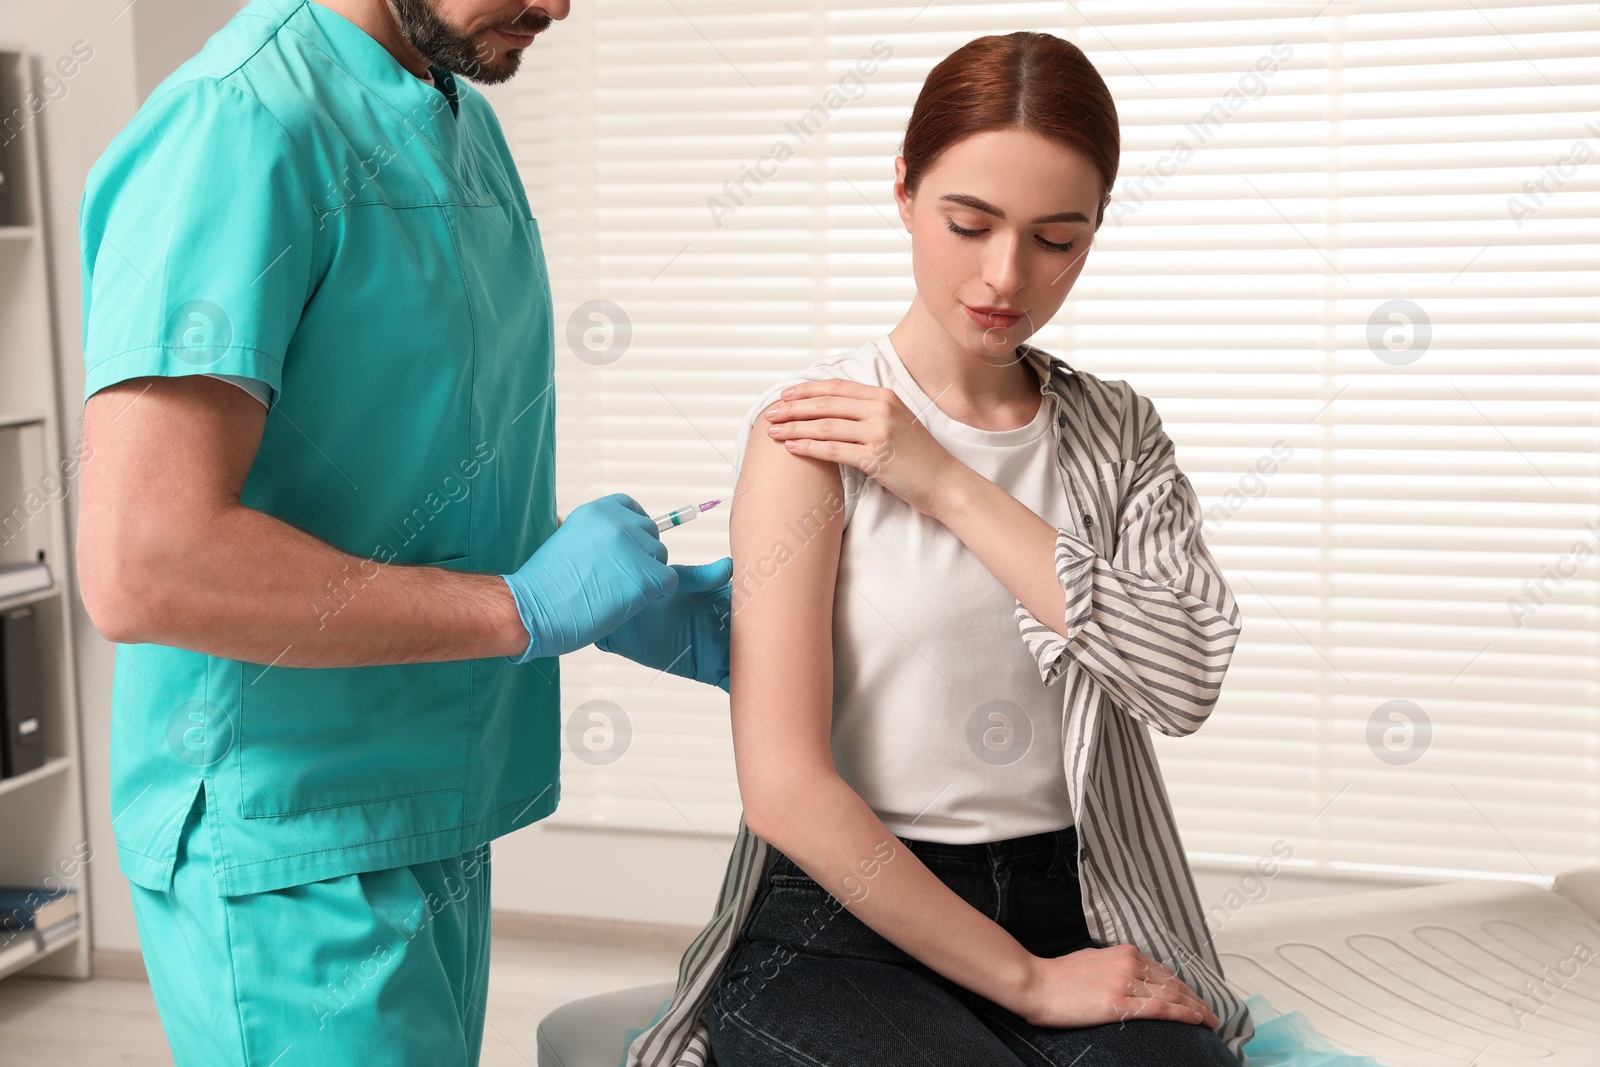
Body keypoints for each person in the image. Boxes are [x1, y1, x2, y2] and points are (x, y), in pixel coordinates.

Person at [74, 2, 730, 1065]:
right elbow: (147, 562)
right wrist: (520, 608)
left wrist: (612, 599)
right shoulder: (238, 126)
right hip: (287, 831)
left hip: (426, 801)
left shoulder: (453, 109)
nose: (558, 5)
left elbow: (402, 456)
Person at [626, 31, 1254, 1067]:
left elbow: (1182, 679)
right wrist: (1023, 982)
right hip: (841, 921)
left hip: (1076, 900)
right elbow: (782, 784)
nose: (1006, 275)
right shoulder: (809, 433)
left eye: (1057, 239)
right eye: (969, 223)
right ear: (905, 192)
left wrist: (944, 481)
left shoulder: (1118, 436)